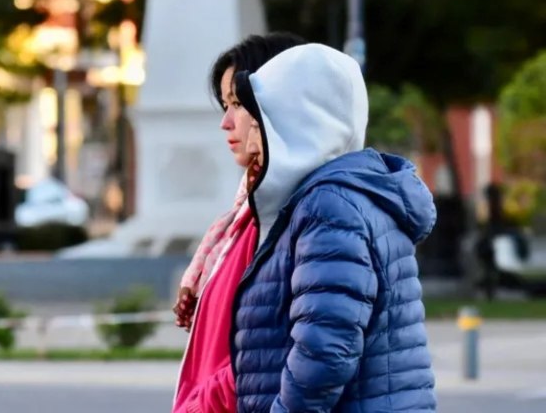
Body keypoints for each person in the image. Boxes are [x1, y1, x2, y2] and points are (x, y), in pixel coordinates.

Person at [230, 43, 437, 412]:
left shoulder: (329, 206)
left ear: (298, 123)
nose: (250, 136)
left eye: (262, 120)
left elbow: (324, 352)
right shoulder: (345, 196)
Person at [172, 32, 306, 413]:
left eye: (237, 104)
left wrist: (198, 407)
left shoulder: (282, 216)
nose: (226, 123)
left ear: (274, 105)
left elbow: (272, 356)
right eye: (224, 105)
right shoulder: (246, 215)